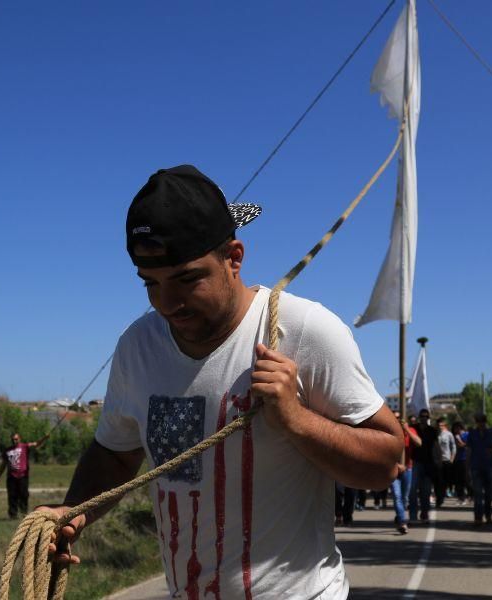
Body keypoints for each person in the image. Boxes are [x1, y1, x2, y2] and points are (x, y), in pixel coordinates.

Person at [41, 165, 404, 599]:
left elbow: (388, 462)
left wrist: (297, 420)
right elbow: (116, 454)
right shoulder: (138, 347)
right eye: (149, 283)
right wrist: (74, 511)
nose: (167, 302)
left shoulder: (305, 331)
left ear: (234, 258)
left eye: (187, 279)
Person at [0, 431, 50, 519]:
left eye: (16, 439)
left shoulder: (25, 446)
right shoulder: (7, 451)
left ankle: (24, 514)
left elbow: (36, 444)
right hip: (11, 477)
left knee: (24, 495)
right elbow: (3, 465)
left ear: (19, 439)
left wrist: (44, 438)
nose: (14, 441)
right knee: (12, 496)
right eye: (13, 439)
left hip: (23, 476)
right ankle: (13, 515)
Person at [459, 413, 492, 526]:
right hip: (476, 467)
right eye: (478, 421)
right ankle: (478, 518)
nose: (480, 423)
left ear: (485, 421)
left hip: (489, 467)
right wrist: (467, 469)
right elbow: (468, 451)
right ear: (476, 422)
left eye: (482, 421)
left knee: (488, 494)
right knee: (477, 494)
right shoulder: (472, 434)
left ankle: (488, 516)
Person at [390, 410, 417, 534]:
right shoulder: (388, 432)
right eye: (394, 417)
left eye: (399, 417)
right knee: (397, 496)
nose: (397, 420)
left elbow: (419, 442)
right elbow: (384, 452)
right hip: (393, 469)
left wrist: (407, 430)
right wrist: (396, 465)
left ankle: (399, 515)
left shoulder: (409, 431)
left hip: (408, 468)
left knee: (404, 497)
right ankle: (402, 521)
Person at [409, 408, 437, 522]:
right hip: (415, 462)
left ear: (428, 418)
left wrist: (438, 461)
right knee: (413, 490)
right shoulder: (413, 429)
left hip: (429, 463)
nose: (424, 418)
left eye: (426, 416)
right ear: (419, 417)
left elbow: (436, 447)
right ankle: (413, 515)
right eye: (422, 416)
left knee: (426, 491)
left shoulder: (432, 430)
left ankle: (424, 513)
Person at [435, 416, 456, 507]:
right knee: (437, 481)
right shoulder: (434, 434)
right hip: (436, 461)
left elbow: (453, 447)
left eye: (442, 425)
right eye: (439, 425)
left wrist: (452, 458)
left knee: (445, 481)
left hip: (446, 460)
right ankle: (438, 497)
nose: (440, 427)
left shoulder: (449, 434)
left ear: (445, 425)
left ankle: (442, 496)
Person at [451, 421, 471, 504]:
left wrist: (459, 439)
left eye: (457, 428)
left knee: (466, 479)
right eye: (455, 428)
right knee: (458, 480)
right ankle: (461, 497)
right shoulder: (454, 436)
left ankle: (471, 495)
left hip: (465, 459)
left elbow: (465, 446)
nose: (456, 430)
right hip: (457, 459)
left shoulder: (466, 435)